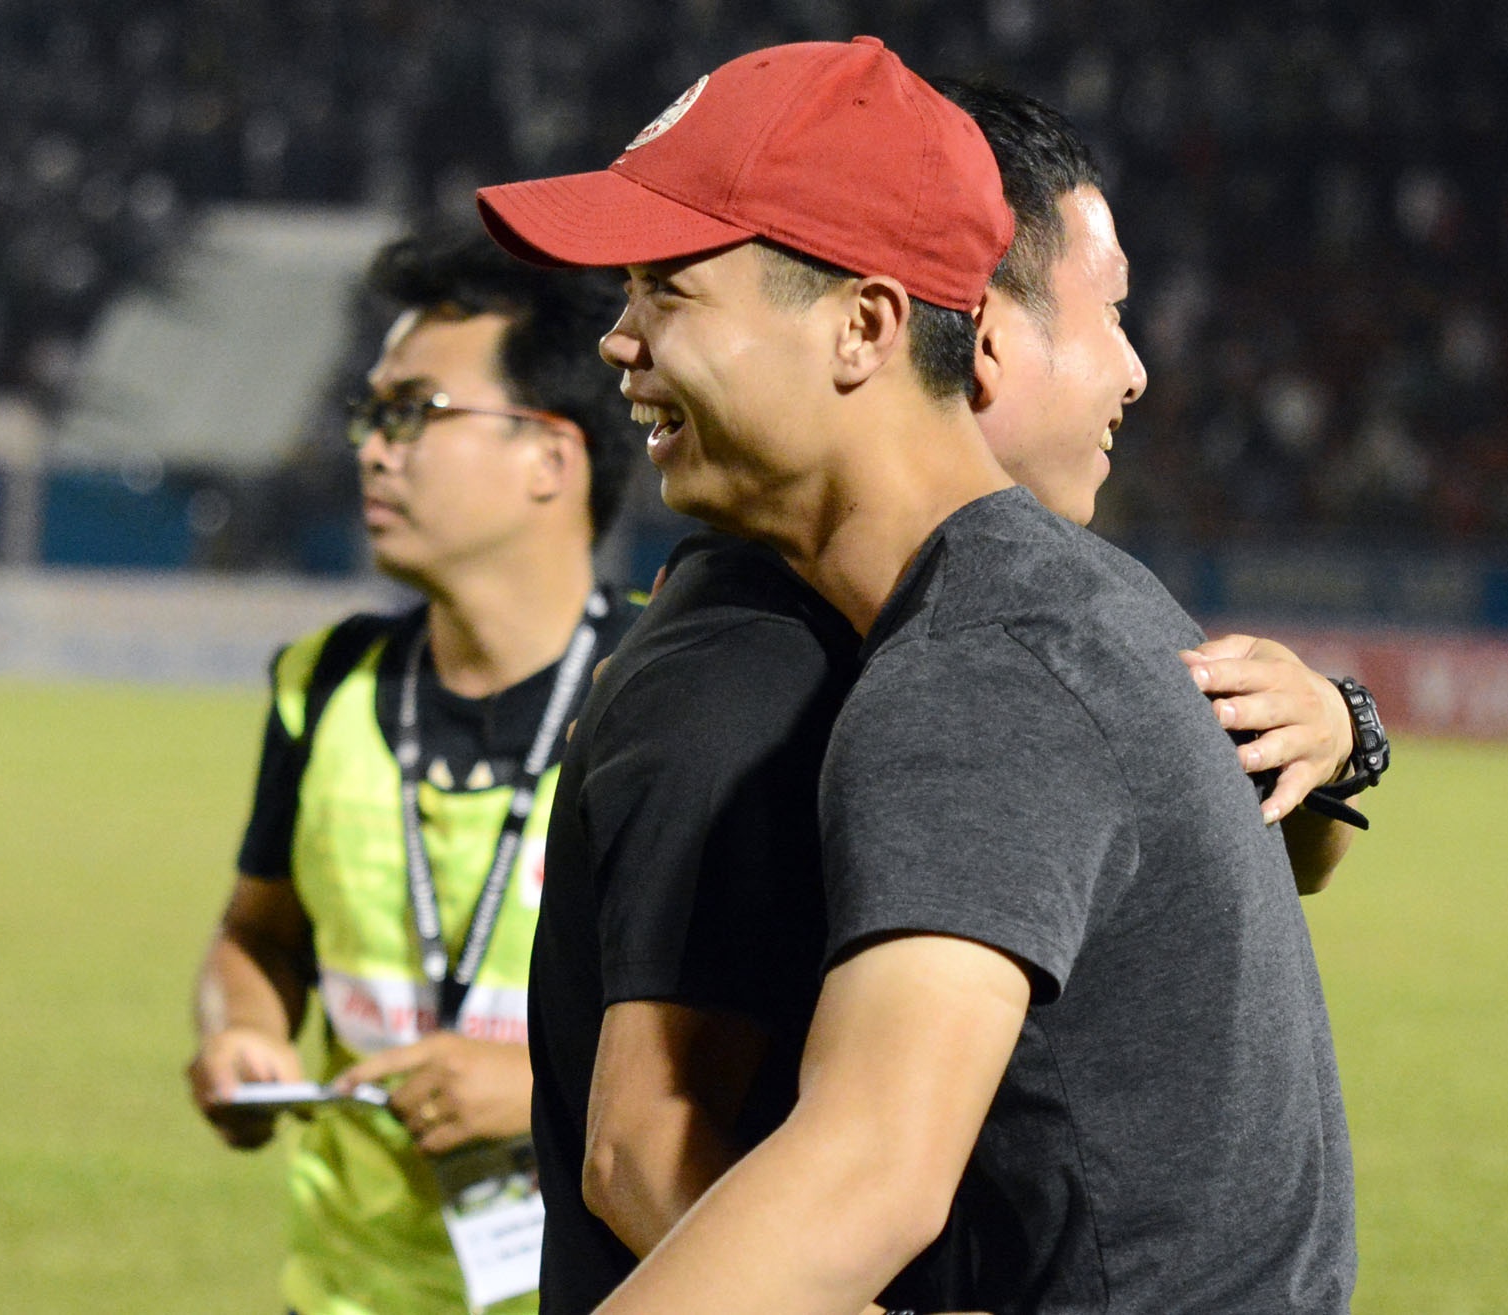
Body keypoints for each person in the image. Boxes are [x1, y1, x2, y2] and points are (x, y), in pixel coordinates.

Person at [478, 37, 1355, 1314]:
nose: (618, 340)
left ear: (864, 326)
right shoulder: (1063, 606)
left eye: (670, 289)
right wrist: (1350, 729)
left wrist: (1343, 724)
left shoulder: (976, 672)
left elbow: (869, 1176)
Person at [184, 229, 642, 1315]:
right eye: (371, 415)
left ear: (550, 457)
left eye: (414, 412)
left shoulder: (667, 691)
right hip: (346, 1292)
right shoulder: (324, 683)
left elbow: (767, 1029)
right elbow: (260, 930)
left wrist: (544, 1092)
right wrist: (242, 1029)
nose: (373, 451)